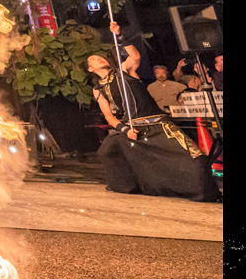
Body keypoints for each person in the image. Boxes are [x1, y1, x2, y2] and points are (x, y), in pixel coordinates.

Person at [87, 22, 220, 202]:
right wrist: (125, 130)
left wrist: (120, 35)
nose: (100, 59)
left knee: (194, 157)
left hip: (157, 124)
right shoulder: (98, 89)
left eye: (100, 57)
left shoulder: (124, 70)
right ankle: (130, 185)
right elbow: (108, 115)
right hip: (131, 129)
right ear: (91, 69)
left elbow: (135, 56)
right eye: (94, 59)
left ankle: (202, 192)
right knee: (108, 149)